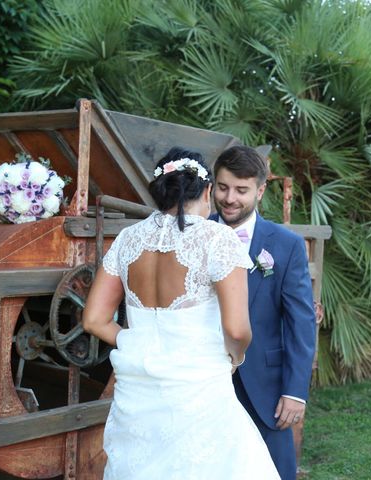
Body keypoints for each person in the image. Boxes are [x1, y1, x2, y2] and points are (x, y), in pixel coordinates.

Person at [82, 147, 280, 479]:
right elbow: (236, 330)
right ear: (206, 191)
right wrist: (235, 357)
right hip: (199, 387)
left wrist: (138, 343)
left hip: (138, 389)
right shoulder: (218, 238)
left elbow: (93, 320)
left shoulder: (128, 240)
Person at [210, 145, 316, 480]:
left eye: (241, 191)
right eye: (223, 188)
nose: (230, 199)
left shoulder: (286, 244)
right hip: (203, 380)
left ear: (260, 190)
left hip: (265, 387)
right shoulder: (194, 233)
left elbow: (301, 322)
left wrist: (295, 390)